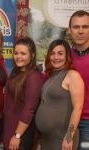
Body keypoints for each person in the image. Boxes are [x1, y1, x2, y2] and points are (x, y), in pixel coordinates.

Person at [35, 39, 84, 150]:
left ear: (67, 56)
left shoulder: (72, 75)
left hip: (62, 139)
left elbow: (78, 108)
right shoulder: (52, 76)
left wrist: (68, 138)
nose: (56, 57)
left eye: (60, 53)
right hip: (46, 139)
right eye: (52, 53)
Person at [3, 37, 43, 150]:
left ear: (32, 55)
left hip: (22, 132)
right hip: (11, 127)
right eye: (16, 53)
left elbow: (29, 109)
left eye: (23, 53)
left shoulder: (33, 76)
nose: (18, 56)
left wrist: (17, 135)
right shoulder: (18, 72)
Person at [68, 10, 89, 150]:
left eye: (85, 27)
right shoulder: (63, 57)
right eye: (76, 27)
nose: (80, 31)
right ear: (69, 30)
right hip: (67, 121)